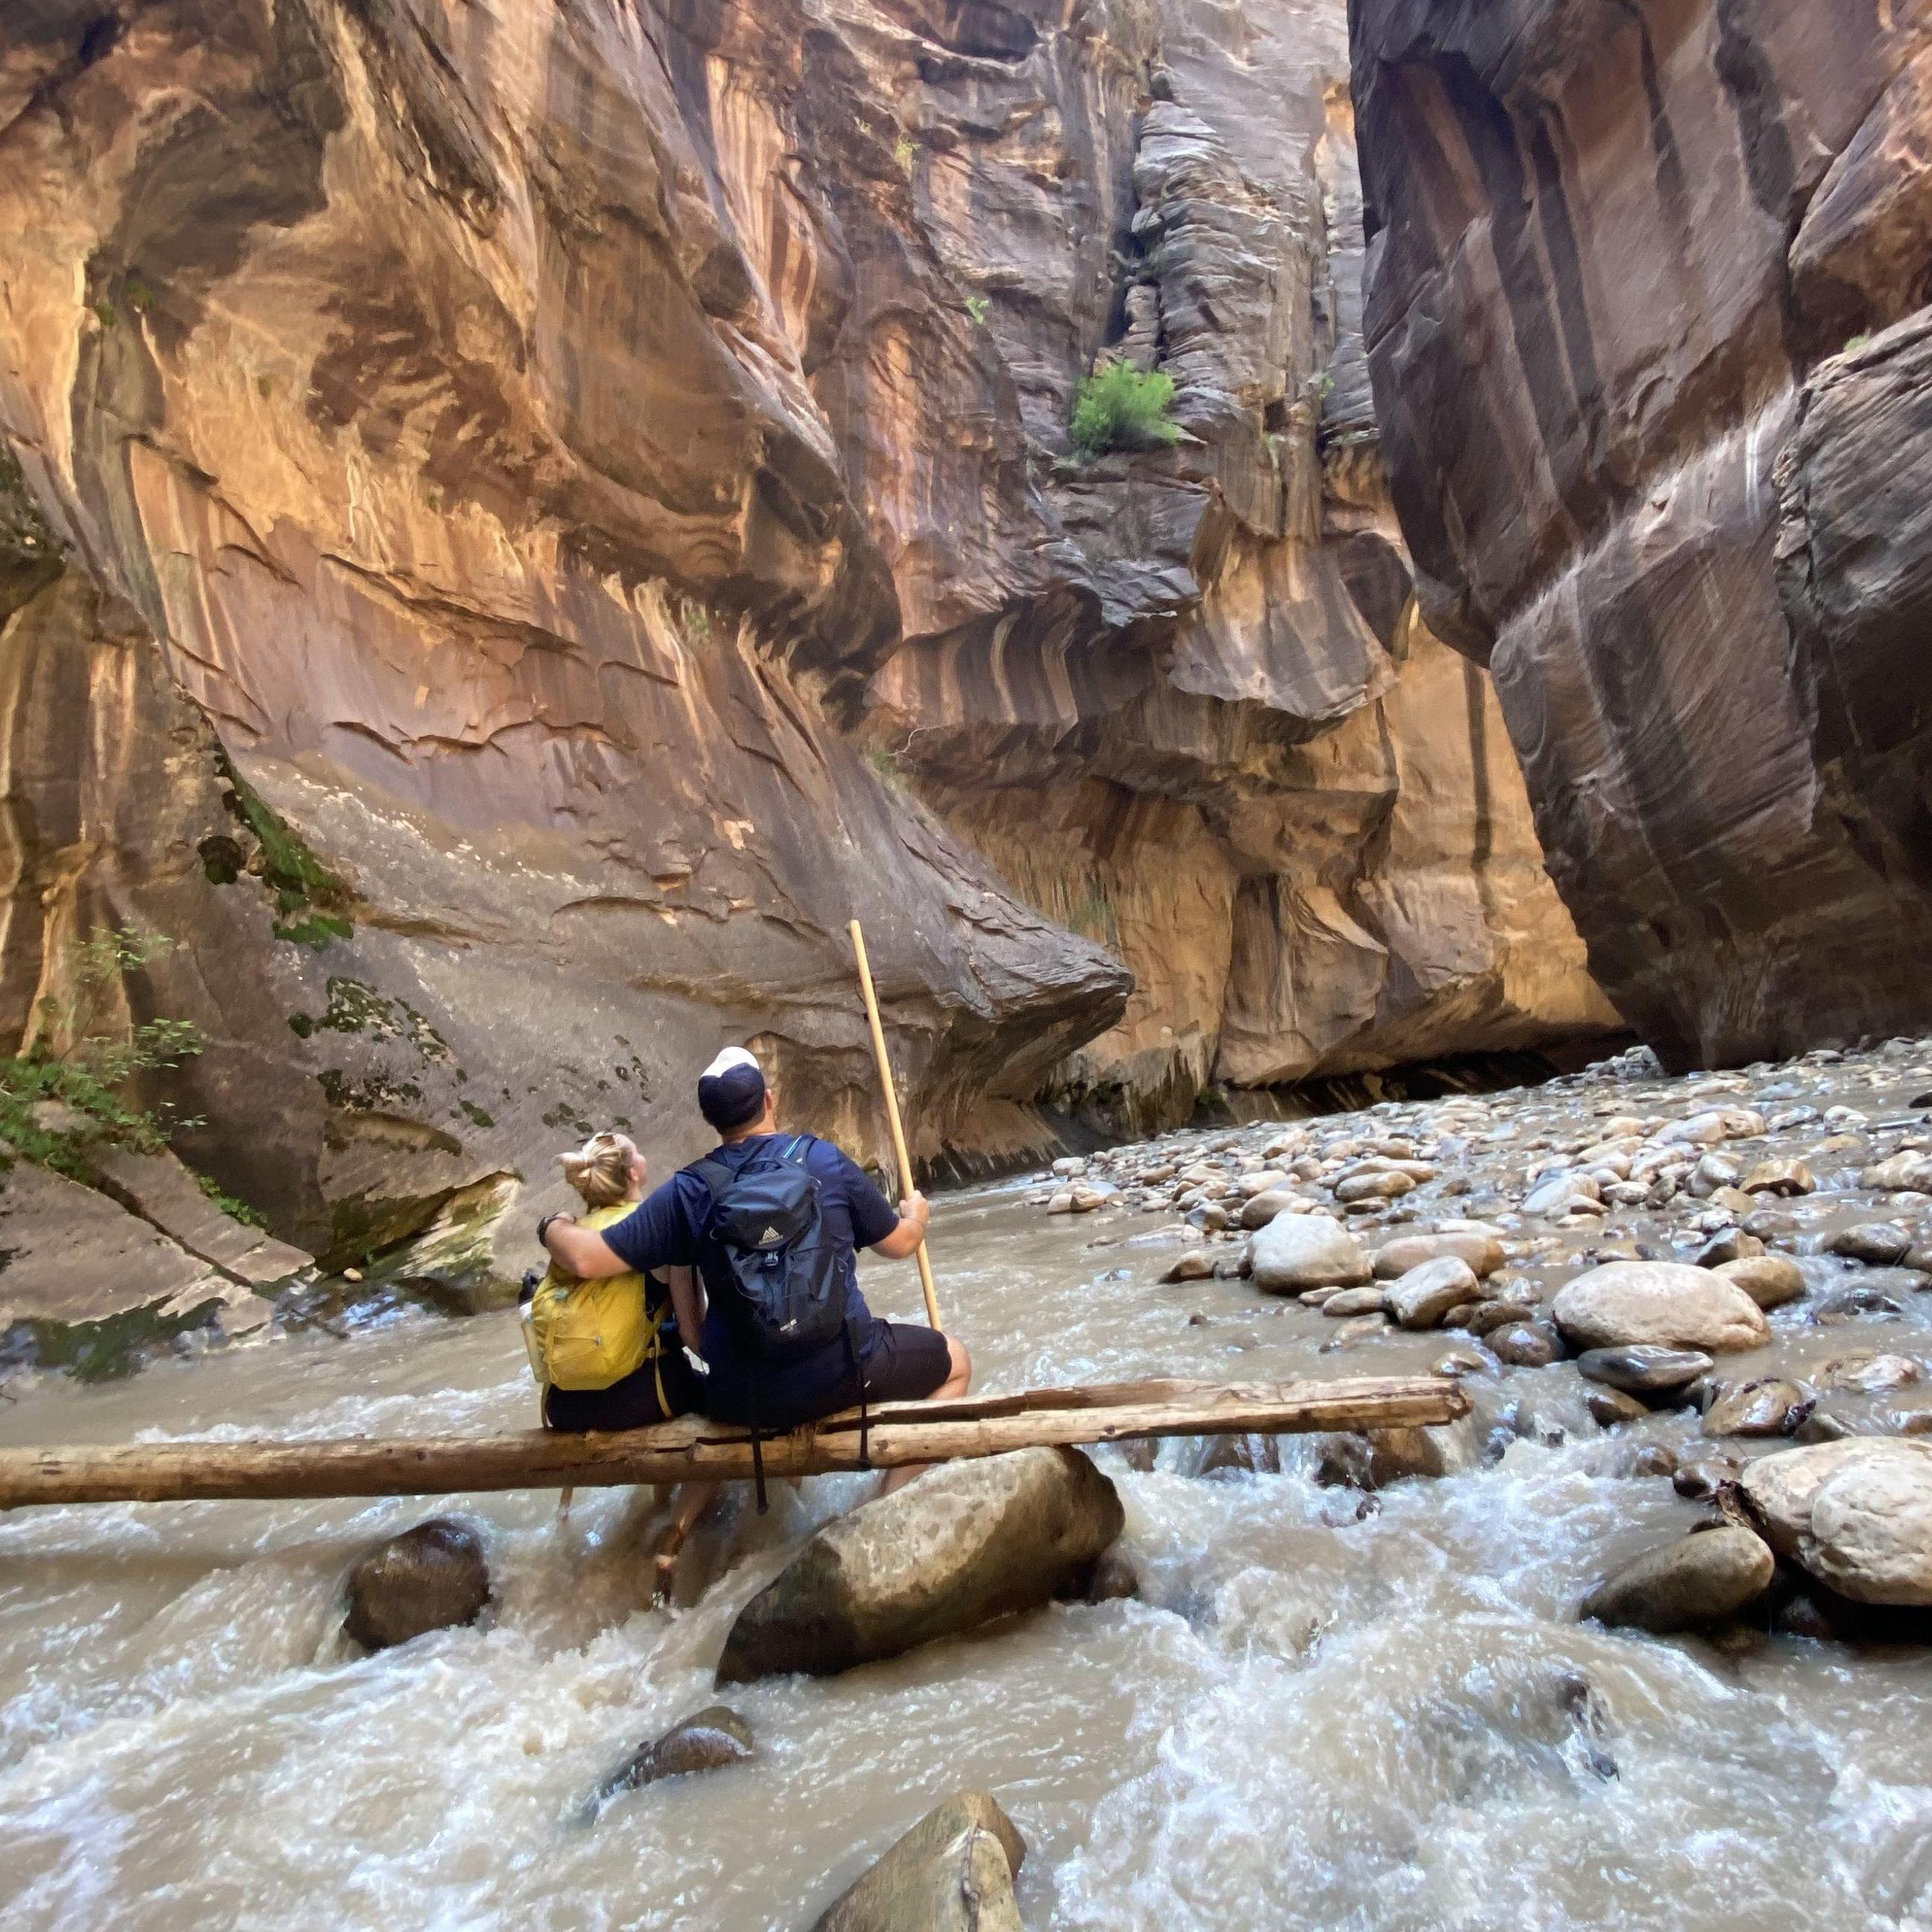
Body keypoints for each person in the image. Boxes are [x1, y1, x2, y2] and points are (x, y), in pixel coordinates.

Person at [539, 1048, 969, 1496]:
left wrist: (550, 1224)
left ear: (712, 1120)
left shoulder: (688, 1191)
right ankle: (886, 1500)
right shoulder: (824, 1160)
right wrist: (916, 1215)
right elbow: (901, 1244)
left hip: (741, 1398)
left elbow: (585, 1259)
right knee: (956, 1362)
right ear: (769, 1100)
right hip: (844, 1372)